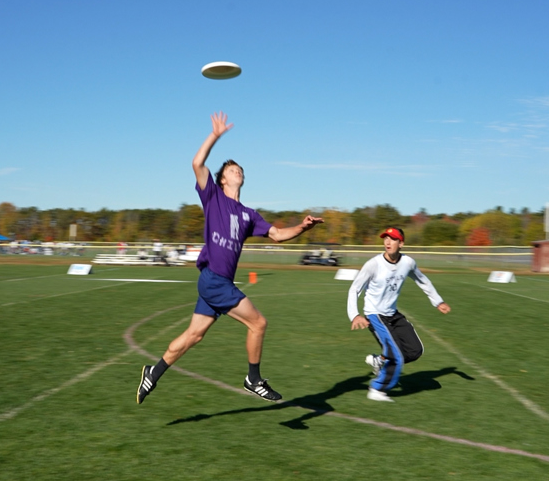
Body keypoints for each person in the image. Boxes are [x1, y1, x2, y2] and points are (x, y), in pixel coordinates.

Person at [137, 112, 323, 404]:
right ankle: (253, 379)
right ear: (223, 179)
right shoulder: (212, 197)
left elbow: (277, 235)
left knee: (194, 336)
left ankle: (153, 372)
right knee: (258, 323)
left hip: (216, 283)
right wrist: (215, 135)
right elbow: (197, 163)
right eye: (233, 169)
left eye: (240, 170)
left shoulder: (249, 215)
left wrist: (302, 227)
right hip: (214, 280)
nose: (238, 172)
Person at [348, 227, 450, 402]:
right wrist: (354, 315)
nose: (388, 242)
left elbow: (423, 280)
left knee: (415, 350)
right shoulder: (373, 264)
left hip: (393, 314)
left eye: (393, 239)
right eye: (385, 238)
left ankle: (380, 360)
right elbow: (355, 289)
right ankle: (377, 389)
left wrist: (438, 301)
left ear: (401, 243)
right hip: (375, 315)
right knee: (396, 356)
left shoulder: (408, 263)